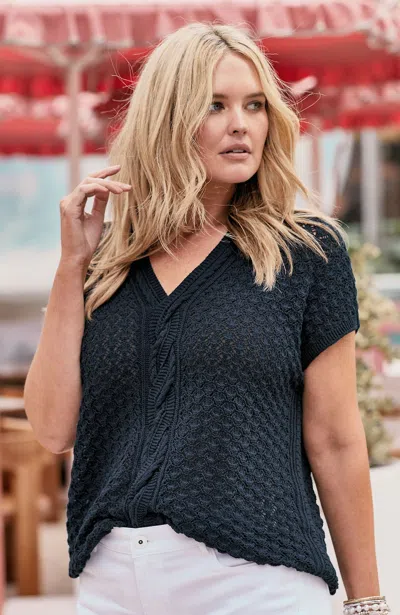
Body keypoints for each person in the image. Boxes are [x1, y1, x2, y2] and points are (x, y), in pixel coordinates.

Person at [24, 22, 388, 615]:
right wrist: (71, 267)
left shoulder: (305, 254)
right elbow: (51, 429)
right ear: (167, 119)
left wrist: (367, 602)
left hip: (254, 580)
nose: (241, 124)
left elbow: (336, 440)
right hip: (112, 583)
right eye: (214, 105)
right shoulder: (104, 262)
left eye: (255, 105)